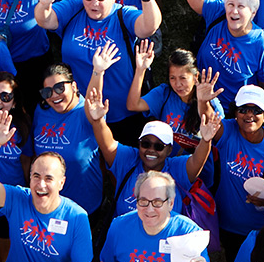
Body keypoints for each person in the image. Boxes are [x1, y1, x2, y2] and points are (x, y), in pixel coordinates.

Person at [35, 0, 161, 138]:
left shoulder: (123, 14)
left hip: (121, 112)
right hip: (79, 110)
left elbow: (149, 27)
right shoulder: (74, 8)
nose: (94, 3)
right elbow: (45, 20)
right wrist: (44, 4)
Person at [0, 110, 93, 262]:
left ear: (62, 183)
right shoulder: (18, 199)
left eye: (49, 178)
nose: (41, 184)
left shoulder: (77, 217)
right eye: (36, 176)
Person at [85, 70, 219, 216]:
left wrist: (206, 140)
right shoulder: (129, 160)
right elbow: (108, 145)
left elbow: (197, 160)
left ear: (169, 150)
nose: (151, 150)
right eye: (146, 144)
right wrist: (98, 121)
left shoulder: (176, 168)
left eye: (159, 146)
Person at [99, 171, 215, 262]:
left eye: (157, 202)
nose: (149, 209)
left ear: (171, 203)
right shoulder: (119, 227)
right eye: (143, 201)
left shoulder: (189, 232)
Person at [210, 85, 264, 260]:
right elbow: (209, 123)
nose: (249, 115)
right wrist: (203, 100)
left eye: (256, 110)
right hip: (227, 226)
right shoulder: (228, 130)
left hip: (260, 228)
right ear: (235, 113)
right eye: (243, 109)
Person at [31, 63, 103, 215]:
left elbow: (93, 105)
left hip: (83, 206)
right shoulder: (41, 111)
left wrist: (98, 71)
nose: (54, 95)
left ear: (74, 86)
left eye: (60, 88)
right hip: (47, 203)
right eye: (47, 91)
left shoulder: (87, 112)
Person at [127, 46, 224, 154]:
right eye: (172, 78)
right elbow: (133, 105)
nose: (178, 84)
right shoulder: (164, 93)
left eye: (183, 78)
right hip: (165, 164)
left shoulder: (210, 101)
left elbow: (219, 134)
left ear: (195, 76)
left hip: (195, 166)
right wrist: (140, 70)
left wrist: (203, 102)